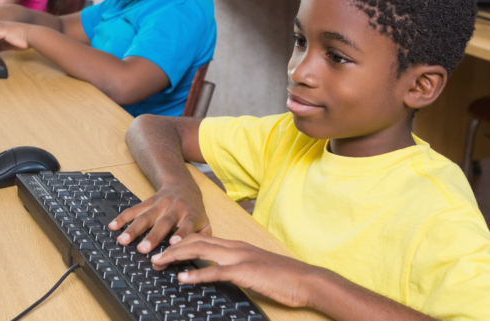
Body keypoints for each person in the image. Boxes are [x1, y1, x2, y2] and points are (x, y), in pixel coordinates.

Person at [108, 0, 490, 320]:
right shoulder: (286, 139)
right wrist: (177, 184)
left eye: (337, 57)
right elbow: (153, 128)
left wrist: (313, 284)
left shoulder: (443, 214)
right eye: (300, 41)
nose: (299, 70)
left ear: (419, 86)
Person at [0, 0, 217, 117]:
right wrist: (13, 15)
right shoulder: (125, 2)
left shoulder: (181, 10)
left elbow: (124, 84)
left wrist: (29, 33)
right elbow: (61, 27)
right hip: (87, 115)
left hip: (125, 145)